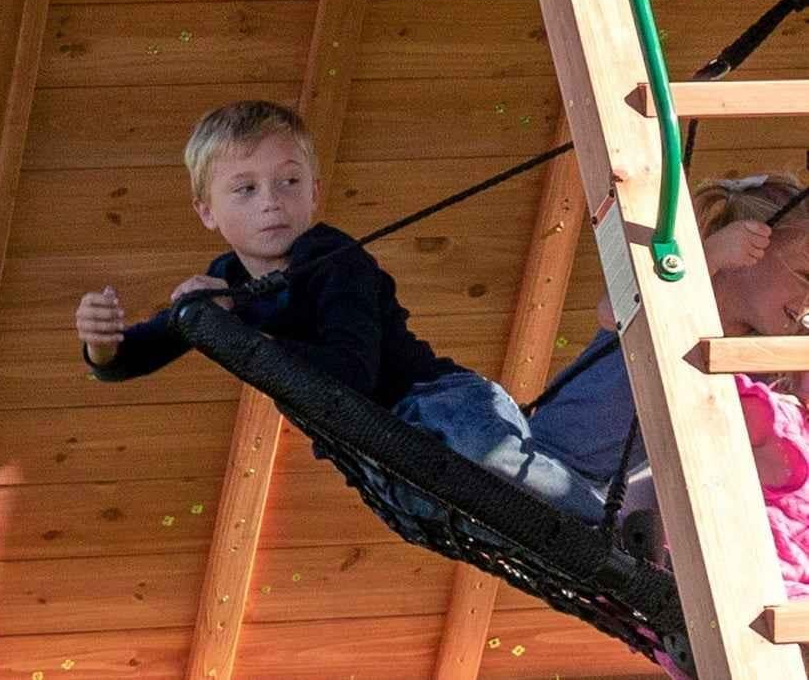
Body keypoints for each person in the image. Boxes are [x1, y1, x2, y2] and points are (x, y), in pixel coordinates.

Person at [74, 99, 606, 518]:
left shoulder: (334, 259)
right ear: (206, 211)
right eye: (245, 189)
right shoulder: (225, 284)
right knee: (472, 509)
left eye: (289, 182)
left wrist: (240, 331)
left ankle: (612, 539)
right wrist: (102, 343)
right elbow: (131, 358)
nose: (270, 201)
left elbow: (350, 372)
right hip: (381, 450)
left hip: (435, 405)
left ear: (314, 193)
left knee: (503, 472)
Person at [528, 173, 808, 500]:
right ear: (751, 250)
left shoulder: (762, 363)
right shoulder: (674, 292)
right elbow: (610, 310)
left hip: (612, 506)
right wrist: (710, 254)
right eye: (804, 276)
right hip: (547, 460)